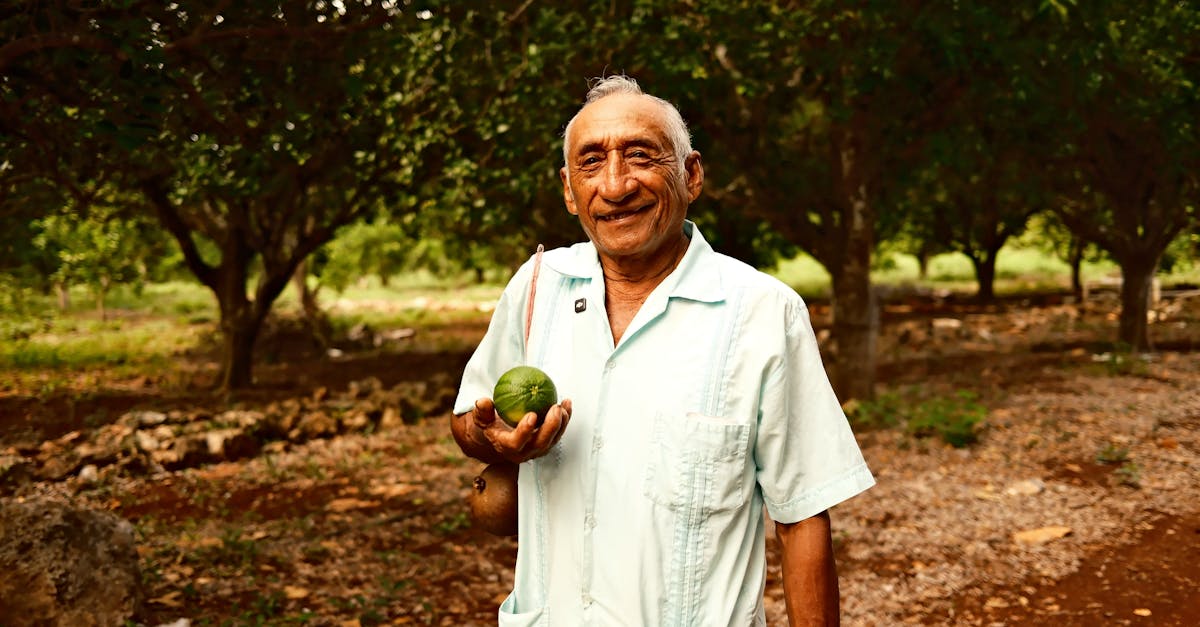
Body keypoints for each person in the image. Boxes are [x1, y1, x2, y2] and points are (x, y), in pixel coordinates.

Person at [450, 75, 875, 626]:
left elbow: (802, 518)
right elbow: (467, 420)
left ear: (691, 175)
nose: (616, 184)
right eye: (591, 162)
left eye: (640, 156)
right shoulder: (536, 288)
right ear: (567, 189)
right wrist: (495, 440)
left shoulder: (763, 312)